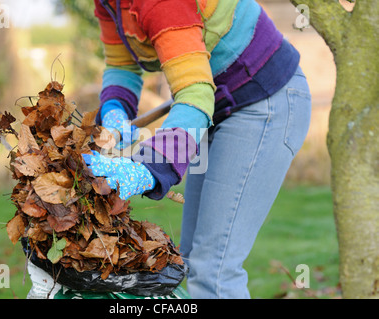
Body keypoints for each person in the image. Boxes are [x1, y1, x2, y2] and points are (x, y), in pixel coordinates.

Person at [86, 0, 311, 299]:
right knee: (191, 260)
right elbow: (121, 63)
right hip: (217, 106)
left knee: (214, 269)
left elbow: (195, 93)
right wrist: (115, 107)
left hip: (263, 99)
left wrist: (149, 167)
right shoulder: (108, 3)